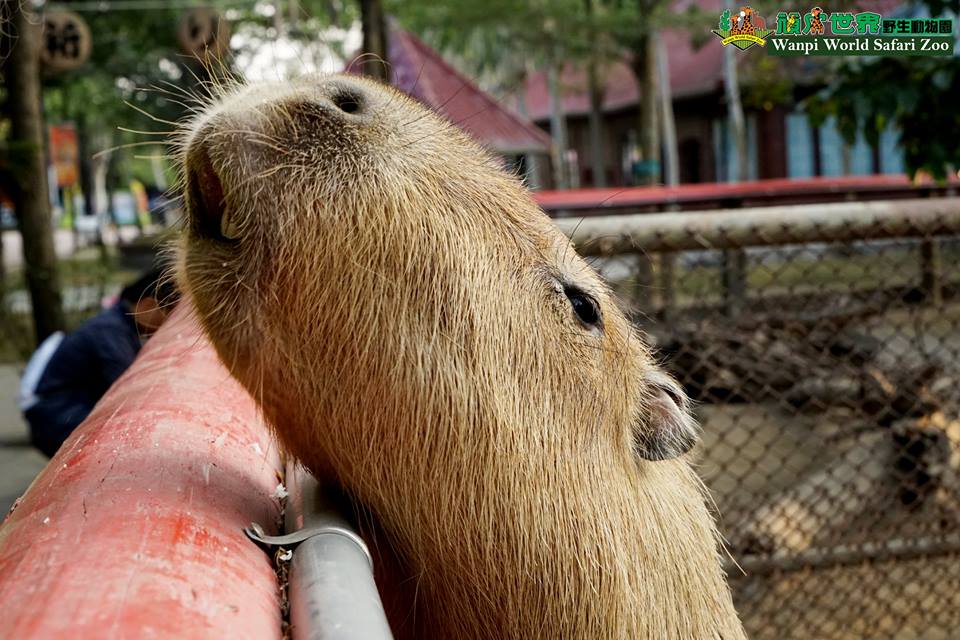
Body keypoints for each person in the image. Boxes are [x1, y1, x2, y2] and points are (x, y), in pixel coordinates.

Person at [18, 268, 178, 457]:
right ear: (148, 305)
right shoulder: (110, 332)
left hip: (59, 410)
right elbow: (129, 390)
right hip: (58, 416)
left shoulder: (117, 323)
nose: (169, 324)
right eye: (171, 315)